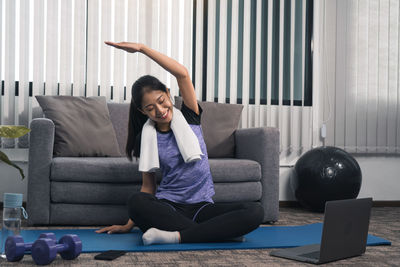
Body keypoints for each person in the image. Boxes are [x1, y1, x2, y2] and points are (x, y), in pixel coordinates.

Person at [96, 41, 264, 245]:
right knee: (136, 202)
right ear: (143, 112)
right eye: (150, 108)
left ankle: (176, 236)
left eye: (161, 100)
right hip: (170, 208)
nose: (159, 110)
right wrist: (128, 225)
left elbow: (182, 74)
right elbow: (148, 186)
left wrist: (142, 49)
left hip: (202, 207)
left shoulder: (190, 116)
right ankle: (217, 233)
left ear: (168, 93)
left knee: (255, 212)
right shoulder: (147, 138)